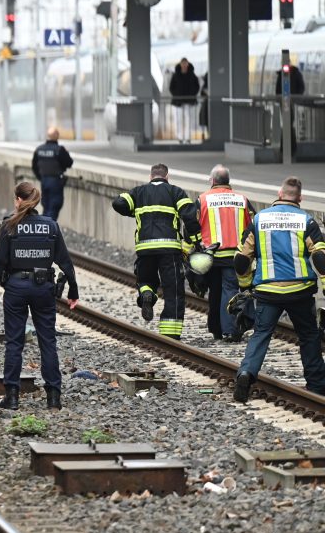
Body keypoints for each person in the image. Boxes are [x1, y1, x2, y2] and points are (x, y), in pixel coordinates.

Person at [0, 181, 79, 410]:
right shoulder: (51, 226)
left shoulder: (10, 226)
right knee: (48, 342)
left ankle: (12, 397)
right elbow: (65, 261)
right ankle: (54, 398)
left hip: (16, 288)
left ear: (18, 200)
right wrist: (73, 290)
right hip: (44, 289)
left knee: (14, 343)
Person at [232, 176, 325, 402]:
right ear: (300, 198)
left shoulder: (259, 220)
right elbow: (321, 258)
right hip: (300, 291)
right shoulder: (307, 221)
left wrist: (245, 287)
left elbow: (241, 260)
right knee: (309, 337)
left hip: (267, 292)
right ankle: (317, 387)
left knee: (261, 334)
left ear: (279, 194)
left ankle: (246, 373)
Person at [111, 163, 200, 338]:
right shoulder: (176, 192)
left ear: (151, 177)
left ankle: (147, 295)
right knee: (173, 289)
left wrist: (135, 212)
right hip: (169, 249)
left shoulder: (139, 192)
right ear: (167, 177)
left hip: (145, 248)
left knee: (146, 279)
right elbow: (190, 215)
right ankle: (170, 334)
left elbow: (118, 203)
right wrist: (197, 241)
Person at [195, 165, 255, 340]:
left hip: (211, 255)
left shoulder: (202, 199)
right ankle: (231, 329)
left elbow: (192, 225)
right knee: (231, 290)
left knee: (215, 291)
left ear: (213, 180)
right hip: (235, 256)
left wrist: (197, 247)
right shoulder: (242, 199)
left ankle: (217, 329)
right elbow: (252, 225)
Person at [31, 127, 74, 221]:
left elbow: (34, 167)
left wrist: (41, 178)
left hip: (44, 181)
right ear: (56, 136)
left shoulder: (39, 150)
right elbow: (69, 163)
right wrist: (66, 153)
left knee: (46, 206)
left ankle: (43, 226)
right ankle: (48, 229)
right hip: (56, 182)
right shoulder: (59, 150)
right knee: (54, 205)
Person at [169, 57, 200, 144]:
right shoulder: (175, 75)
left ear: (188, 64)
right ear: (180, 64)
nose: (184, 65)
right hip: (178, 102)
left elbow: (197, 87)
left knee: (189, 120)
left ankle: (188, 137)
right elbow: (171, 88)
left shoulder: (192, 75)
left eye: (186, 63)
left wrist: (192, 94)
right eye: (183, 63)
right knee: (178, 120)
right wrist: (176, 95)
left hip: (189, 101)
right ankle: (180, 137)